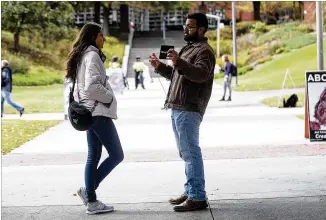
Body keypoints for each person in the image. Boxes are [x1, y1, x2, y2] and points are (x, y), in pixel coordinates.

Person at [149, 13, 215, 212]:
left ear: (202, 29)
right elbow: (179, 76)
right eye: (185, 26)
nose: (186, 29)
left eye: (191, 27)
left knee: (191, 152)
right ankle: (191, 190)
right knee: (186, 152)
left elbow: (200, 75)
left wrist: (179, 62)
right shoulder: (189, 49)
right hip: (178, 107)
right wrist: (160, 66)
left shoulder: (205, 51)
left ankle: (197, 196)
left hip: (189, 107)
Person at [65, 22, 124, 215]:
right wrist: (109, 97)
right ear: (93, 37)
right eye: (101, 35)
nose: (104, 38)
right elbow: (91, 87)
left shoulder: (83, 55)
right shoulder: (91, 55)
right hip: (97, 112)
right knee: (117, 155)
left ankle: (90, 196)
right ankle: (89, 195)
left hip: (89, 111)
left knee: (94, 156)